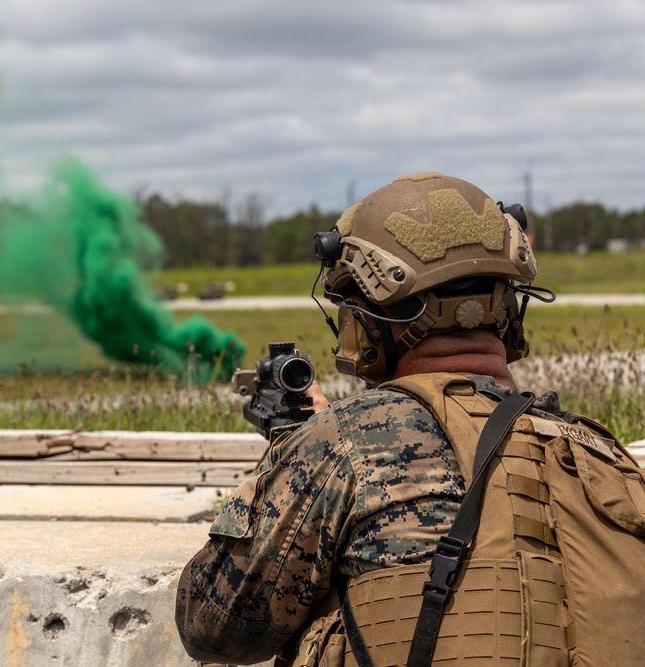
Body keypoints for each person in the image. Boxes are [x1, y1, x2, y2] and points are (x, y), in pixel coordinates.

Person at [175, 172, 645, 667]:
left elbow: (211, 627)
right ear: (508, 313)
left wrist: (289, 456)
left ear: (368, 323)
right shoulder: (598, 452)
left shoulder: (346, 443)